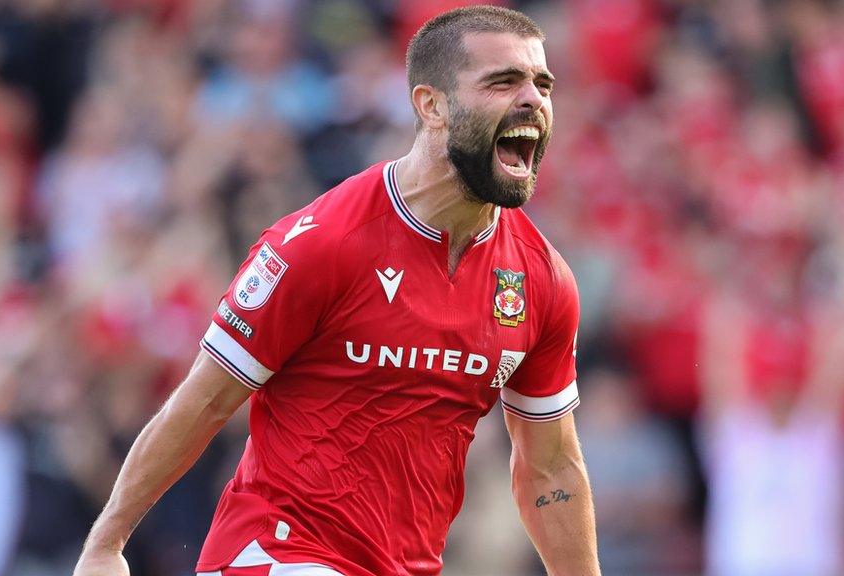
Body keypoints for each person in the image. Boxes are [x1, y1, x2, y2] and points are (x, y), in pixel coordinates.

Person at [73, 6, 600, 576]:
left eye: (542, 84)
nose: (533, 100)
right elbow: (203, 400)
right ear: (432, 105)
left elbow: (550, 470)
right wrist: (107, 542)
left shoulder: (541, 279)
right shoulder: (325, 242)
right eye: (503, 82)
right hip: (276, 551)